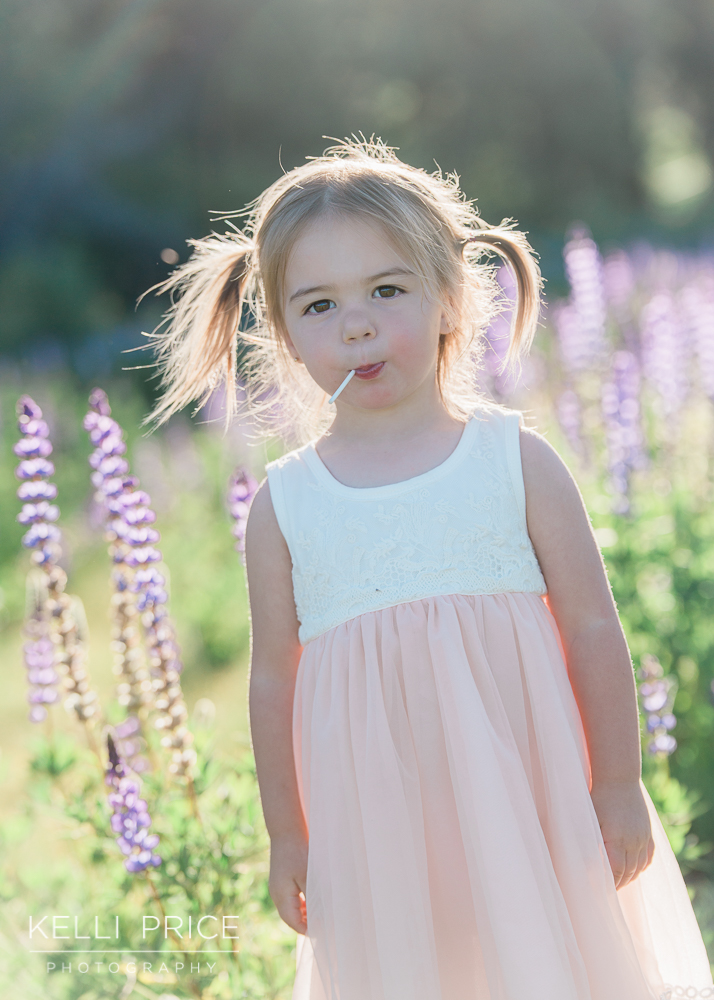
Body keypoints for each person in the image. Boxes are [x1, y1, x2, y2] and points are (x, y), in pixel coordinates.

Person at [142, 138, 713, 999]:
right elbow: (271, 683)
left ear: (450, 297)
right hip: (381, 833)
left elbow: (595, 626)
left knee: (550, 966)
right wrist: (288, 837)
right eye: (320, 305)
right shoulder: (286, 507)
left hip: (530, 802)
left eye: (386, 290)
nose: (357, 324)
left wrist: (620, 782)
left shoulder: (513, 461)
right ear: (287, 335)